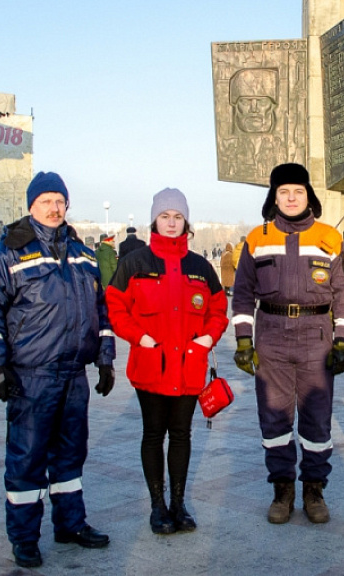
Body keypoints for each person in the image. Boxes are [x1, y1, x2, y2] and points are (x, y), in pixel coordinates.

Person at [0, 171, 115, 568]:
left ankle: (70, 524)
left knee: (71, 456)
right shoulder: (8, 252)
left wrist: (105, 358)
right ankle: (24, 537)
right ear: (31, 206)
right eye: (46, 202)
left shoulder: (82, 252)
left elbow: (100, 309)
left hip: (74, 374)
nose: (54, 209)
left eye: (60, 201)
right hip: (31, 375)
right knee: (27, 457)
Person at [232, 163, 344, 525]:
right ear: (274, 197)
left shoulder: (329, 238)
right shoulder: (257, 237)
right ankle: (282, 490)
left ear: (308, 196)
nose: (290, 198)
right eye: (283, 192)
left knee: (317, 421)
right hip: (270, 337)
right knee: (274, 419)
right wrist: (243, 339)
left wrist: (343, 341)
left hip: (315, 337)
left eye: (297, 191)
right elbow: (241, 294)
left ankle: (314, 489)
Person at [106, 188, 228, 535]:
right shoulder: (135, 263)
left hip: (189, 367)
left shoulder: (201, 267)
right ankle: (157, 506)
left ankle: (178, 504)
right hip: (151, 366)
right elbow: (114, 306)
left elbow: (218, 309)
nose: (172, 223)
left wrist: (207, 338)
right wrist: (140, 338)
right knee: (153, 433)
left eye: (178, 217)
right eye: (165, 217)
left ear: (186, 222)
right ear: (154, 221)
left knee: (181, 434)